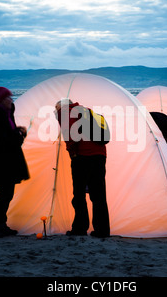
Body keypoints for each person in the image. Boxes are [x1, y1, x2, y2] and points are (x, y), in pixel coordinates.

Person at [55, 98, 110, 238]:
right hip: (100, 155)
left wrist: (72, 153)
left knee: (79, 195)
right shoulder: (87, 111)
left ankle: (80, 228)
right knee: (98, 196)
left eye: (56, 108)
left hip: (83, 156)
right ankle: (102, 230)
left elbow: (71, 135)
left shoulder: (65, 111)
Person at [0, 86, 30, 238]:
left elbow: (9, 135)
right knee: (4, 194)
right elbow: (2, 140)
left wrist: (17, 132)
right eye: (8, 98)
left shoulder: (7, 113)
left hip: (7, 161)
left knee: (6, 193)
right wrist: (19, 134)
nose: (11, 100)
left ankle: (0, 224)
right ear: (1, 100)